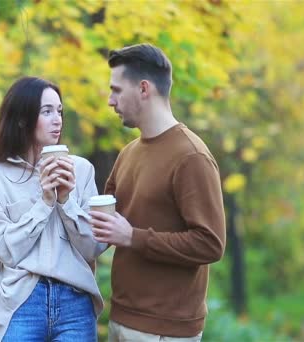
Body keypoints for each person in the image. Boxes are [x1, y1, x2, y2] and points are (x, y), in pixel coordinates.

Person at [90, 43, 226, 342]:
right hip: (122, 318)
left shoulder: (192, 157)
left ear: (143, 88)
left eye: (116, 90)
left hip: (166, 330)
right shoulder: (128, 154)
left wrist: (133, 237)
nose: (110, 101)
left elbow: (210, 244)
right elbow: (104, 228)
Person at [0, 76, 107, 341]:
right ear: (22, 119)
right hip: (19, 302)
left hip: (75, 301)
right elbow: (5, 250)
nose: (57, 119)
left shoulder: (80, 170)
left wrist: (65, 201)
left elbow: (94, 247)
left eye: (59, 111)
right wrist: (45, 202)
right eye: (47, 111)